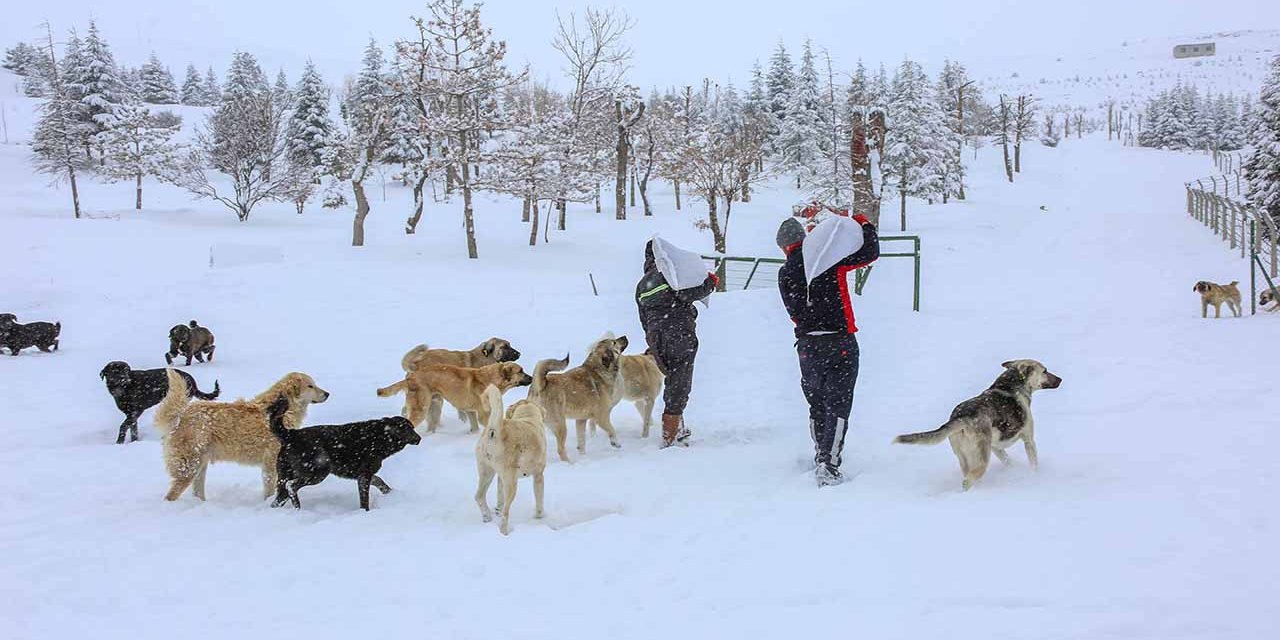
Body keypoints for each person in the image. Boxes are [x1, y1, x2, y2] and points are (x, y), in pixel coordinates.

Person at [776, 214, 880, 486]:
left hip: (807, 346)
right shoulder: (826, 260)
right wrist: (865, 225)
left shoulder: (784, 273)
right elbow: (870, 253)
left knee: (817, 402)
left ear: (783, 247)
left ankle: (820, 452)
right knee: (838, 403)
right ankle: (829, 463)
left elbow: (793, 310)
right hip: (839, 341)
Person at [635, 240, 718, 448]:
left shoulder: (642, 284)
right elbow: (688, 293)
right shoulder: (670, 274)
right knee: (679, 382)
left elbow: (643, 318)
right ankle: (670, 436)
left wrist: (653, 341)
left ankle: (676, 427)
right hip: (679, 333)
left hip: (656, 337)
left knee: (673, 378)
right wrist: (710, 283)